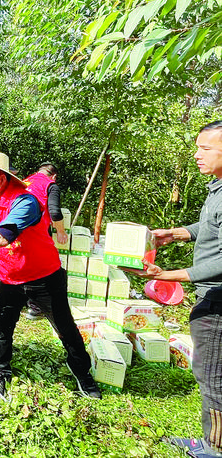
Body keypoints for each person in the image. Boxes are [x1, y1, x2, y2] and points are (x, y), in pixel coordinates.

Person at [0, 150, 101, 399]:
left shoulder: (25, 202)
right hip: (9, 278)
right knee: (3, 329)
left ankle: (82, 373)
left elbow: (2, 237)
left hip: (44, 277)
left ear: (1, 179)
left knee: (65, 328)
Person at [128, 121, 222, 458]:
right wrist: (179, 232)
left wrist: (170, 274)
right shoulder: (218, 187)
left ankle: (215, 447)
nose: (197, 155)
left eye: (205, 148)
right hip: (211, 296)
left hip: (217, 302)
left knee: (211, 375)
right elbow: (212, 226)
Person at [22, 162, 68, 320]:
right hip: (36, 231)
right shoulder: (51, 185)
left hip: (16, 230)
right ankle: (35, 307)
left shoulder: (25, 181)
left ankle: (21, 301)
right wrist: (60, 231)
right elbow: (55, 212)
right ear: (54, 176)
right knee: (43, 267)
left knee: (24, 263)